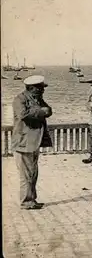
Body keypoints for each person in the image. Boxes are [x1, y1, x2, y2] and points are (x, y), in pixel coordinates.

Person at [12, 75, 53, 210]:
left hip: (34, 141)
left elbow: (49, 110)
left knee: (33, 172)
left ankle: (32, 199)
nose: (43, 90)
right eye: (40, 88)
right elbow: (23, 115)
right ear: (31, 88)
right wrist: (41, 111)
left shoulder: (37, 98)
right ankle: (26, 201)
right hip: (23, 142)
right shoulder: (20, 99)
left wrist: (42, 110)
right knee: (26, 174)